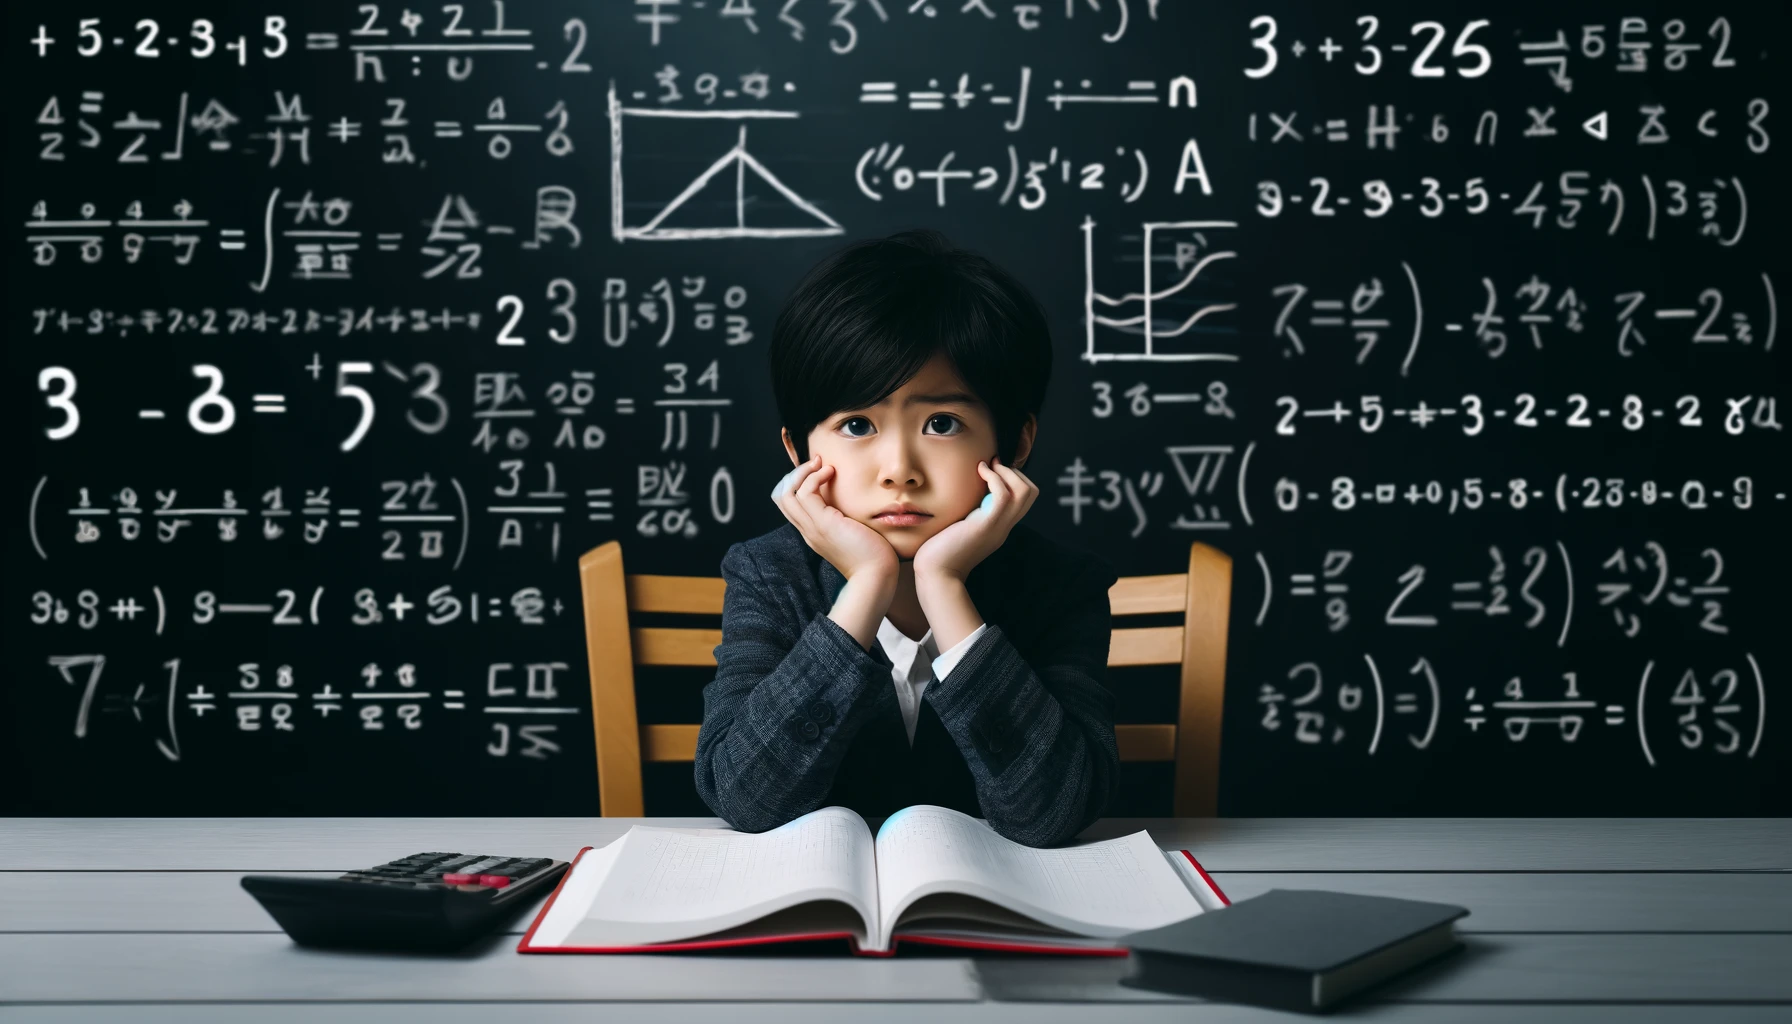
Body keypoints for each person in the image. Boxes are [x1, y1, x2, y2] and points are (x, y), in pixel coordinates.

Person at [694, 229, 1120, 848]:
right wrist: (865, 587)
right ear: (798, 451)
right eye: (857, 424)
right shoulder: (769, 574)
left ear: (1016, 444)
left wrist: (945, 589)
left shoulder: (1062, 587)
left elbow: (1053, 813)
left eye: (942, 423)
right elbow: (743, 798)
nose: (899, 468)